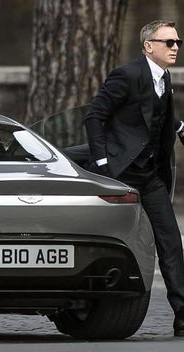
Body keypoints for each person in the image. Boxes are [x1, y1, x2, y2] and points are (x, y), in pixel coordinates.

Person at [84, 19, 184, 337]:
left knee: (171, 242)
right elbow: (95, 115)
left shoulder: (163, 78)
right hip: (121, 173)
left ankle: (182, 314)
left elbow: (156, 115)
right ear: (148, 46)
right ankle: (91, 304)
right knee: (112, 239)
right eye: (168, 42)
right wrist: (102, 162)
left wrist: (180, 128)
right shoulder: (126, 75)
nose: (175, 48)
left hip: (151, 175)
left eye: (178, 42)